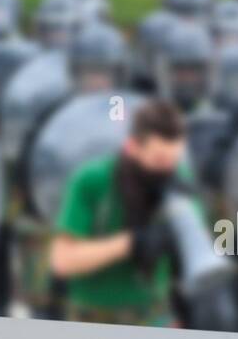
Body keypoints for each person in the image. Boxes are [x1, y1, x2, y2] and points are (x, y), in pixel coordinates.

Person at [50, 99, 191, 326]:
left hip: (155, 318)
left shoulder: (178, 179)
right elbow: (63, 261)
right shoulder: (93, 180)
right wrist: (132, 244)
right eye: (158, 159)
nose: (167, 168)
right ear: (132, 147)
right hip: (95, 322)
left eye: (173, 159)